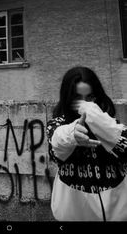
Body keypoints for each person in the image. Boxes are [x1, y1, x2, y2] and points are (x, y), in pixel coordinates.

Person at [47, 66, 127, 221]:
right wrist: (72, 135)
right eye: (78, 99)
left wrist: (100, 123)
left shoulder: (110, 124)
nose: (85, 105)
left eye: (89, 98)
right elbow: (56, 146)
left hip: (116, 210)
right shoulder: (57, 125)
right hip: (73, 211)